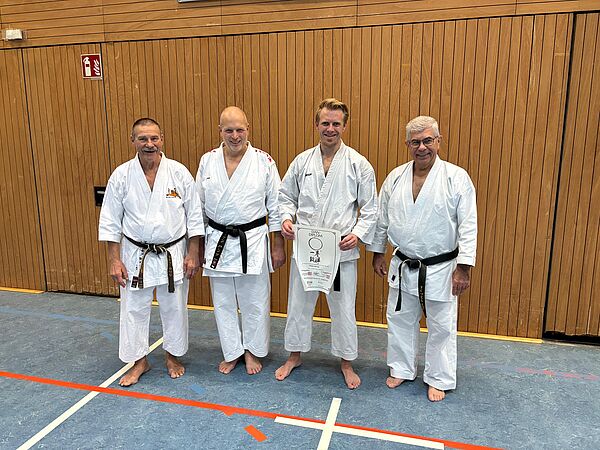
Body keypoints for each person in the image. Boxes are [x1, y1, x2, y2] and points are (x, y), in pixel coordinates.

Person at [368, 115, 477, 401]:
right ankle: (402, 368)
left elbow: (468, 225)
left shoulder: (456, 177)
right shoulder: (395, 177)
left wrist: (464, 268)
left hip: (441, 267)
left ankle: (438, 377)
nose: (422, 147)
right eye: (415, 142)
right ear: (407, 144)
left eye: (428, 140)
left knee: (441, 325)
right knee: (400, 319)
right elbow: (382, 219)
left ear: (438, 141)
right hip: (403, 263)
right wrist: (378, 252)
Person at [275, 98, 378, 389]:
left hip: (341, 249)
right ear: (316, 124)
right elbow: (285, 197)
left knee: (343, 308)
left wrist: (358, 234)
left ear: (345, 126)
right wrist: (286, 219)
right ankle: (294, 355)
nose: (330, 129)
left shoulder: (358, 164)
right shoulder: (302, 161)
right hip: (306, 246)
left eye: (335, 123)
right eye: (325, 123)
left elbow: (371, 208)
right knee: (298, 304)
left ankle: (346, 362)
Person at [99, 118, 204, 387]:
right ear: (133, 141)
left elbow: (194, 216)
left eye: (154, 138)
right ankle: (139, 361)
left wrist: (193, 253)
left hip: (173, 252)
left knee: (174, 307)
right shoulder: (121, 175)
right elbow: (110, 220)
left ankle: (172, 356)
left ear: (162, 139)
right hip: (135, 253)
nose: (149, 144)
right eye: (143, 138)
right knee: (133, 308)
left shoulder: (178, 172)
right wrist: (114, 259)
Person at [195, 106, 285, 375]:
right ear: (219, 131)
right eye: (229, 130)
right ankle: (232, 351)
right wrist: (197, 245)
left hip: (253, 240)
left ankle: (252, 351)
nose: (235, 136)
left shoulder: (264, 161)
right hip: (218, 239)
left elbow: (277, 206)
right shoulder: (207, 161)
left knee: (255, 300)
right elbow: (198, 207)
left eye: (240, 130)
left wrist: (278, 245)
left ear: (248, 129)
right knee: (223, 302)